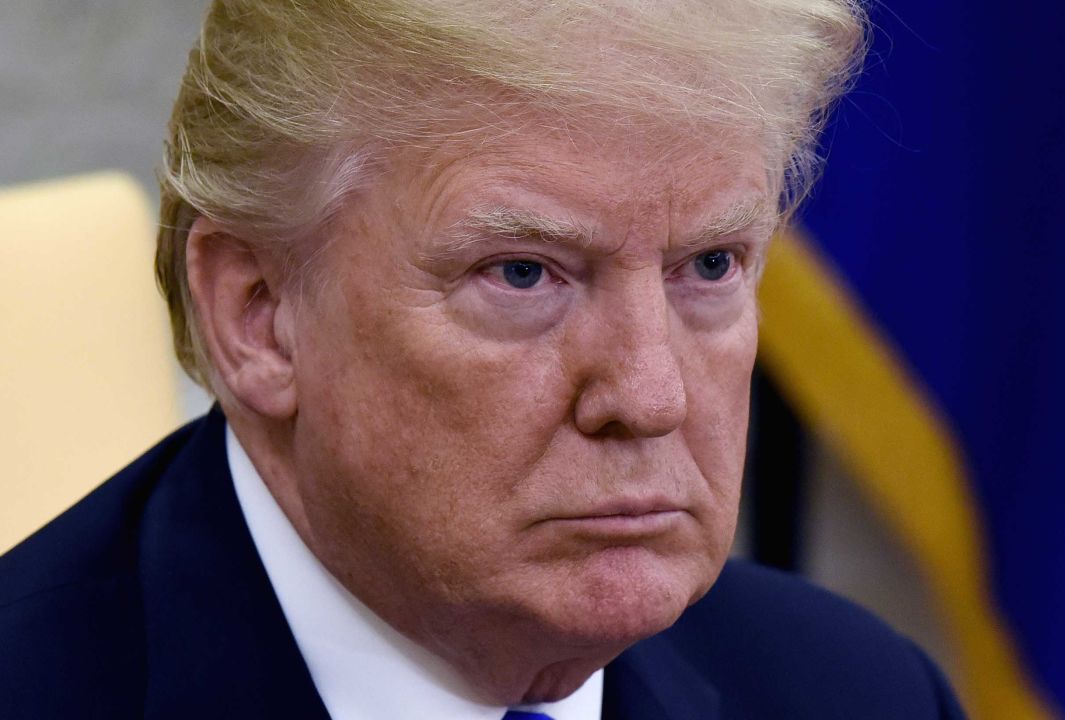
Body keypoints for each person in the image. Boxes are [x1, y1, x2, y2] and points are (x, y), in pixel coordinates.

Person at [0, 1, 964, 717]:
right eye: (523, 273)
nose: (649, 393)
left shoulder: (856, 691)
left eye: (709, 265)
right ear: (258, 314)